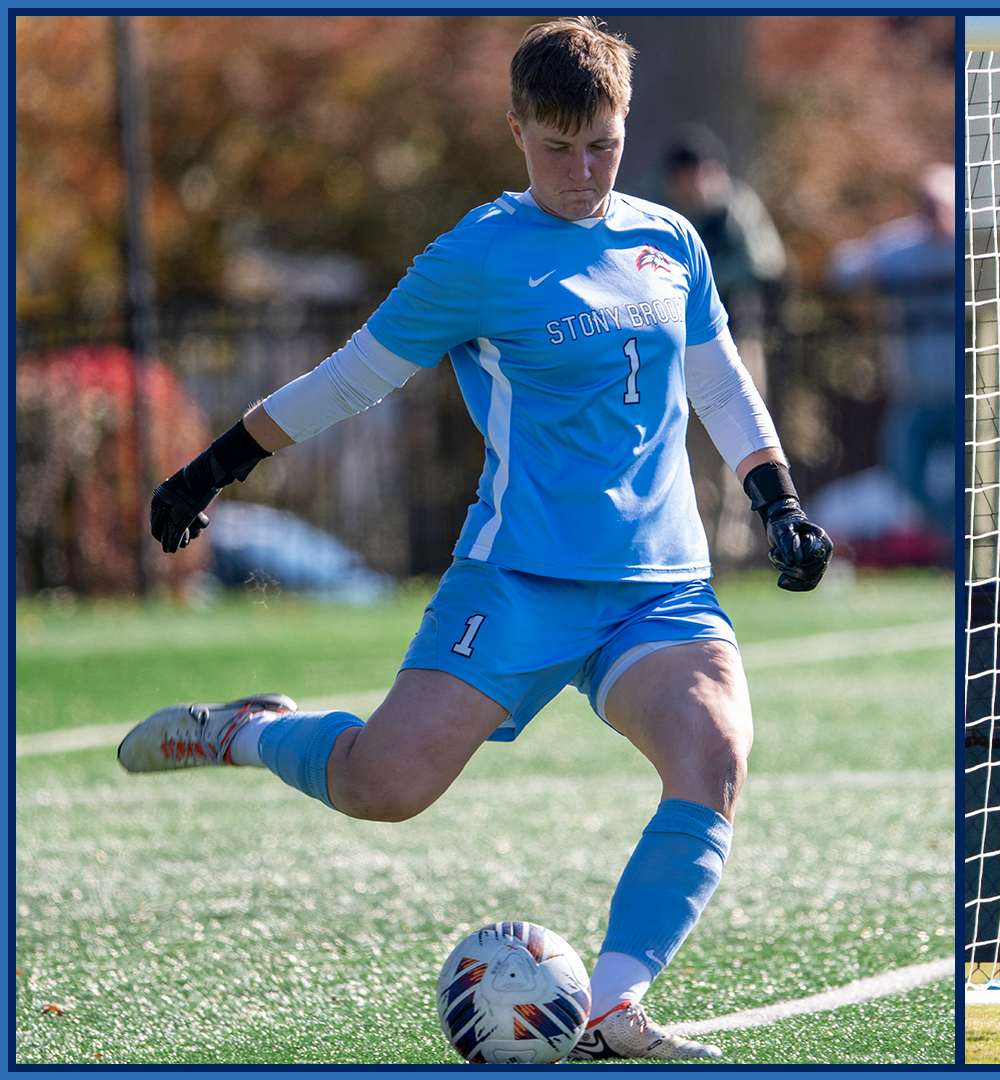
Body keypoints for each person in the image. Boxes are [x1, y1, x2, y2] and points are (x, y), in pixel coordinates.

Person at [122, 17, 832, 1062]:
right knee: (384, 786)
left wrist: (778, 498)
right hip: (518, 580)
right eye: (558, 148)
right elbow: (352, 378)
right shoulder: (476, 256)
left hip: (659, 589)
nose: (584, 171)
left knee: (714, 751)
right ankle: (250, 730)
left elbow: (717, 379)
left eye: (603, 144)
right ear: (515, 128)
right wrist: (212, 466)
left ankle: (612, 1011)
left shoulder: (671, 240)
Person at [659, 124, 789, 568]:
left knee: (738, 447)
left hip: (735, 339)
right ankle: (699, 553)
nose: (692, 186)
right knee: (689, 451)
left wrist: (699, 278)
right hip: (678, 349)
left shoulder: (734, 206)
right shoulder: (665, 216)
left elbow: (765, 260)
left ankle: (730, 554)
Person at [828, 163, 958, 557]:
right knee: (903, 470)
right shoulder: (901, 248)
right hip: (915, 395)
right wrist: (869, 268)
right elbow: (841, 268)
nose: (932, 214)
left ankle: (963, 545)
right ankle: (952, 535)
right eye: (925, 205)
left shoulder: (973, 245)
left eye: (940, 205)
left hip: (965, 397)